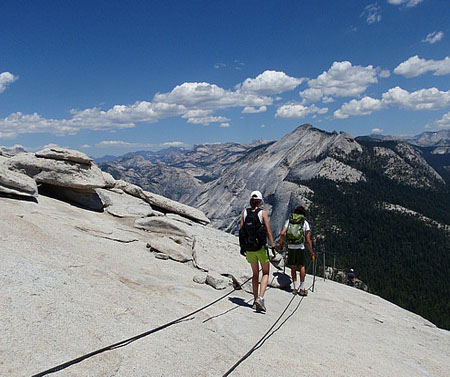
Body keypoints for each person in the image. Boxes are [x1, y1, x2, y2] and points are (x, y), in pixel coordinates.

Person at [240, 190, 275, 312]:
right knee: (265, 272)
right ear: (260, 201)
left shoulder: (245, 212)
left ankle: (255, 300)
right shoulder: (262, 213)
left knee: (255, 274)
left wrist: (242, 247)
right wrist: (273, 246)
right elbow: (268, 231)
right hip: (260, 248)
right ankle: (260, 298)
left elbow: (241, 231)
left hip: (249, 249)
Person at [279, 205, 314, 296]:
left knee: (293, 267)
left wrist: (281, 244)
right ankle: (302, 288)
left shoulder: (289, 221)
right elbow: (307, 239)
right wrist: (311, 252)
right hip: (300, 247)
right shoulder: (304, 223)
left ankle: (294, 288)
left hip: (291, 246)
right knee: (301, 266)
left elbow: (282, 234)